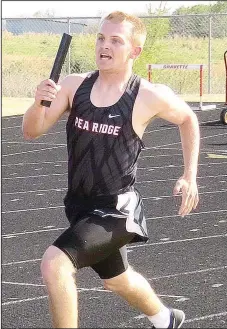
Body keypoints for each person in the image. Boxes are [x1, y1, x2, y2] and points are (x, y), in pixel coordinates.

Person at [22, 11, 200, 329]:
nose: (105, 45)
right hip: (79, 206)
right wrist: (39, 103)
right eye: (101, 38)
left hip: (117, 210)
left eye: (116, 40)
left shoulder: (147, 95)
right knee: (116, 280)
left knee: (55, 263)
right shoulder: (74, 86)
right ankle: (166, 319)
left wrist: (189, 176)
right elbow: (32, 130)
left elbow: (188, 119)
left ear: (134, 50)